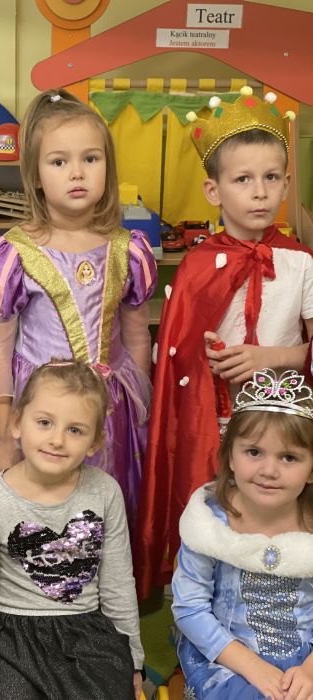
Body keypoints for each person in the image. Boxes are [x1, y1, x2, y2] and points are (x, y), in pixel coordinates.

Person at [134, 87, 313, 597]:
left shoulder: (301, 263)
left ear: (286, 183)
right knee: (218, 508)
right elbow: (175, 354)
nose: (260, 192)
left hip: (283, 419)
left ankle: (274, 599)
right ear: (213, 191)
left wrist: (269, 358)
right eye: (243, 179)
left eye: (272, 178)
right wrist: (200, 358)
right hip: (213, 419)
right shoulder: (195, 266)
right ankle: (209, 600)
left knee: (273, 505)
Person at [0, 88, 157, 533]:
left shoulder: (128, 250)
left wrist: (143, 415)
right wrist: (4, 432)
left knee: (103, 511)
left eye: (91, 158)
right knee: (37, 513)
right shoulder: (12, 255)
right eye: (59, 162)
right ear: (35, 175)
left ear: (108, 166)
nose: (77, 172)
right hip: (39, 408)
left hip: (110, 409)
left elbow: (137, 338)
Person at [0, 360, 145, 699]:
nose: (57, 440)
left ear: (95, 441)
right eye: (44, 422)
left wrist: (133, 662)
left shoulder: (105, 492)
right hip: (13, 641)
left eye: (75, 430)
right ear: (17, 423)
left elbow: (117, 584)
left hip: (87, 635)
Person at [172, 368, 313, 700]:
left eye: (289, 457)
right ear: (231, 457)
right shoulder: (209, 523)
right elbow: (190, 609)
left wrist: (309, 670)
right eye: (254, 452)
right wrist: (253, 667)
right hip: (227, 656)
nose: (269, 470)